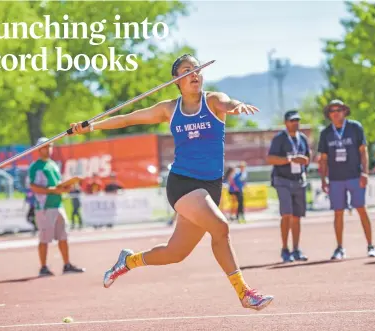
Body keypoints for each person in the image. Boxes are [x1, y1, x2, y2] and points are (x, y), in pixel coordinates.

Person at [69, 54, 273, 310]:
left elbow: (228, 103)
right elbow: (127, 119)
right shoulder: (169, 109)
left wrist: (237, 105)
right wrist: (89, 127)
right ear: (176, 80)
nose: (195, 73)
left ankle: (128, 261)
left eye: (197, 68)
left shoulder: (212, 101)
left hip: (210, 186)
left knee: (175, 253)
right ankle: (244, 293)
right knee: (220, 228)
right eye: (188, 70)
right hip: (183, 184)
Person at [317, 100, 375, 260]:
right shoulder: (326, 133)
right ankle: (339, 247)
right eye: (332, 110)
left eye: (339, 109)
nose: (336, 113)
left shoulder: (355, 127)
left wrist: (365, 173)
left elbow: (363, 151)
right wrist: (323, 179)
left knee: (361, 209)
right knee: (338, 213)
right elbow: (323, 158)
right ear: (328, 114)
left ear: (345, 111)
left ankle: (371, 245)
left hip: (355, 176)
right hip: (336, 178)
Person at [28, 137, 85, 276]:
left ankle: (67, 264)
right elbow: (34, 187)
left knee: (63, 235)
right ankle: (43, 267)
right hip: (44, 207)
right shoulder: (35, 167)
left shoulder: (53, 164)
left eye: (50, 146)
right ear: (38, 149)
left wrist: (65, 187)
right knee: (44, 238)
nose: (48, 149)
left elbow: (58, 184)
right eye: (45, 147)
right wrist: (54, 190)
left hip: (58, 204)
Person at [267, 110, 310, 263]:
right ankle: (285, 249)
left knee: (297, 217)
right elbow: (271, 158)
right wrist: (291, 159)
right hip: (282, 180)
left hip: (299, 180)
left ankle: (296, 249)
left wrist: (305, 161)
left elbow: (307, 159)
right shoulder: (280, 139)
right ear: (286, 123)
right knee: (287, 214)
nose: (295, 123)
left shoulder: (303, 138)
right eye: (292, 121)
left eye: (297, 120)